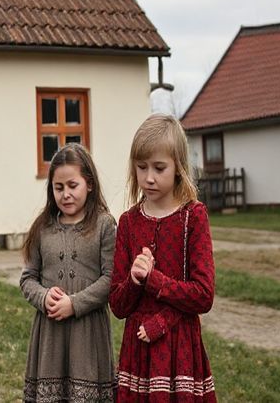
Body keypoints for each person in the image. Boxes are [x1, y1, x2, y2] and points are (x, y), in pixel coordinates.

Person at [109, 114, 216, 402]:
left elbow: (203, 296)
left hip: (180, 348)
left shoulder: (193, 217)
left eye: (159, 168)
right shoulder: (129, 223)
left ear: (179, 168)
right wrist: (134, 279)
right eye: (141, 167)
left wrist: (154, 281)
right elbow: (118, 306)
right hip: (138, 350)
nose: (149, 177)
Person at [20, 143, 117, 402]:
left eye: (72, 186)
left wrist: (74, 304)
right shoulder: (42, 228)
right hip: (50, 336)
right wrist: (43, 297)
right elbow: (28, 278)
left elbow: (111, 278)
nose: (66, 194)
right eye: (58, 188)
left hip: (88, 333)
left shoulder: (104, 225)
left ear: (90, 184)